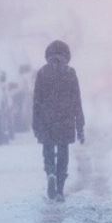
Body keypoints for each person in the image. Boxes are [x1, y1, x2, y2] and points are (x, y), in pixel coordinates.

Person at [32, 40, 85, 201]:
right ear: (66, 55)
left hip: (47, 120)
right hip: (65, 119)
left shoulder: (42, 73)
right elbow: (77, 101)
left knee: (48, 150)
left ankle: (50, 173)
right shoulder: (70, 73)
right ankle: (60, 188)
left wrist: (36, 124)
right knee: (63, 153)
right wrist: (80, 127)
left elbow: (37, 101)